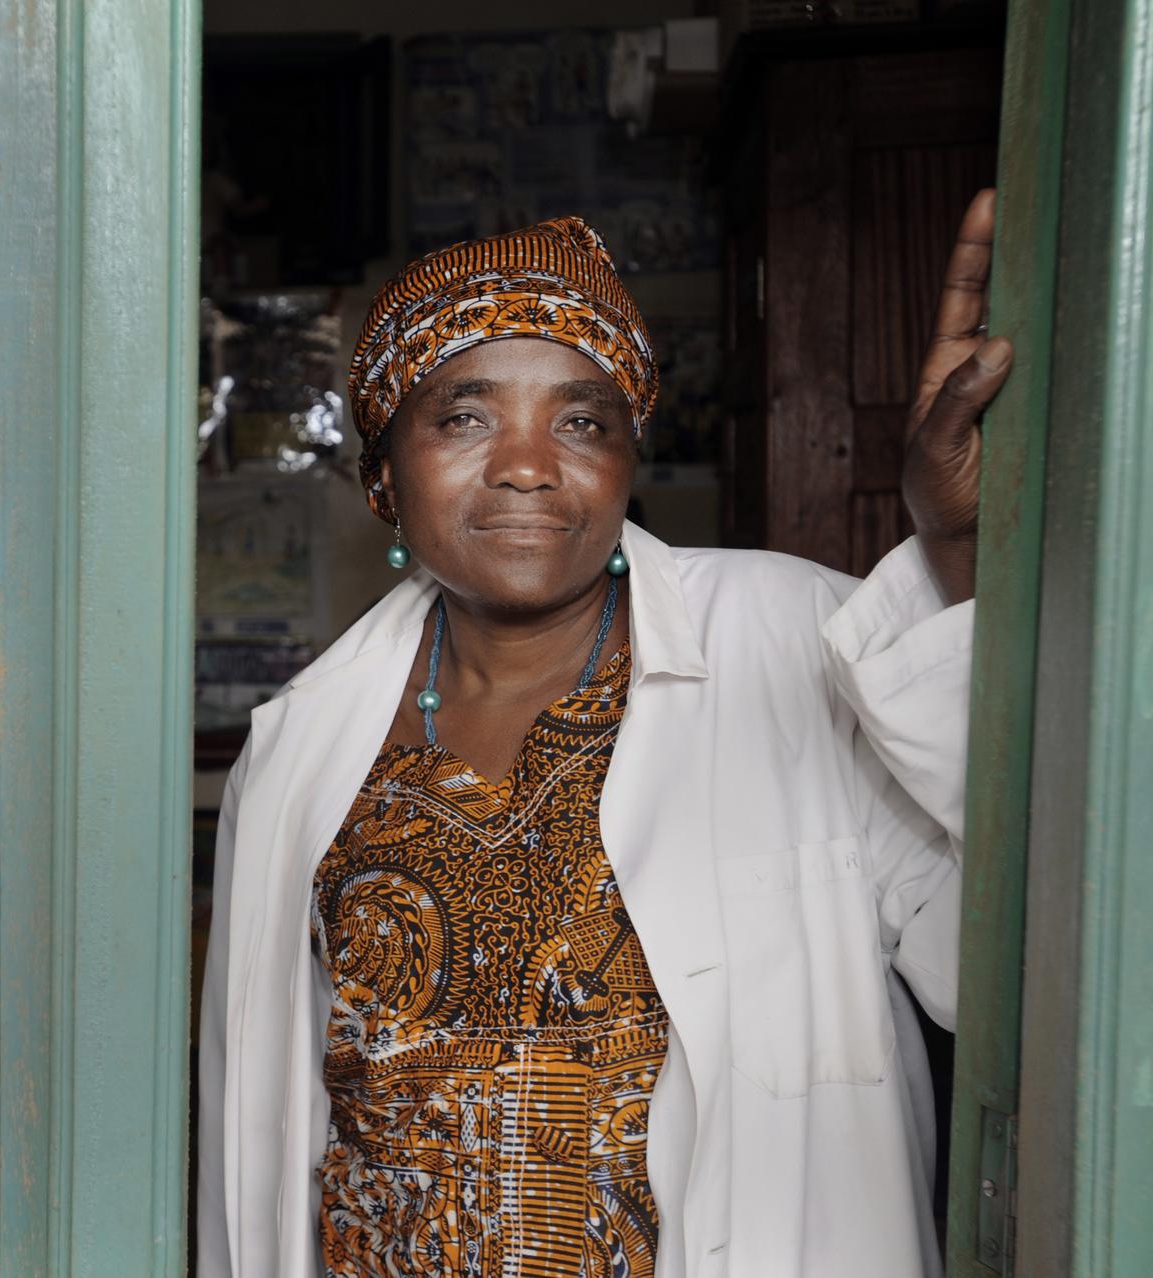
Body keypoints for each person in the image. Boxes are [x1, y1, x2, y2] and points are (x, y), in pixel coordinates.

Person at [197, 196, 1010, 1277]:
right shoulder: (299, 746)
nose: (530, 465)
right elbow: (256, 1134)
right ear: (383, 474)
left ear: (629, 459)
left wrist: (955, 554)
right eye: (465, 417)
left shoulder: (797, 638)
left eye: (582, 421)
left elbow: (1002, 964)